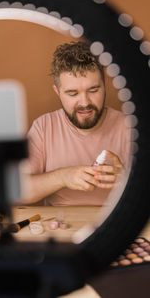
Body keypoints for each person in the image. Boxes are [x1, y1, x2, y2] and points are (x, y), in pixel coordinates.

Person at [24, 41, 131, 206]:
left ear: (105, 86)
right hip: (62, 226)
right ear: (57, 92)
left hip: (119, 225)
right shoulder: (44, 127)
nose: (84, 102)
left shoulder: (130, 127)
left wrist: (130, 181)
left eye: (93, 90)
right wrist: (62, 177)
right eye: (72, 93)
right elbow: (18, 191)